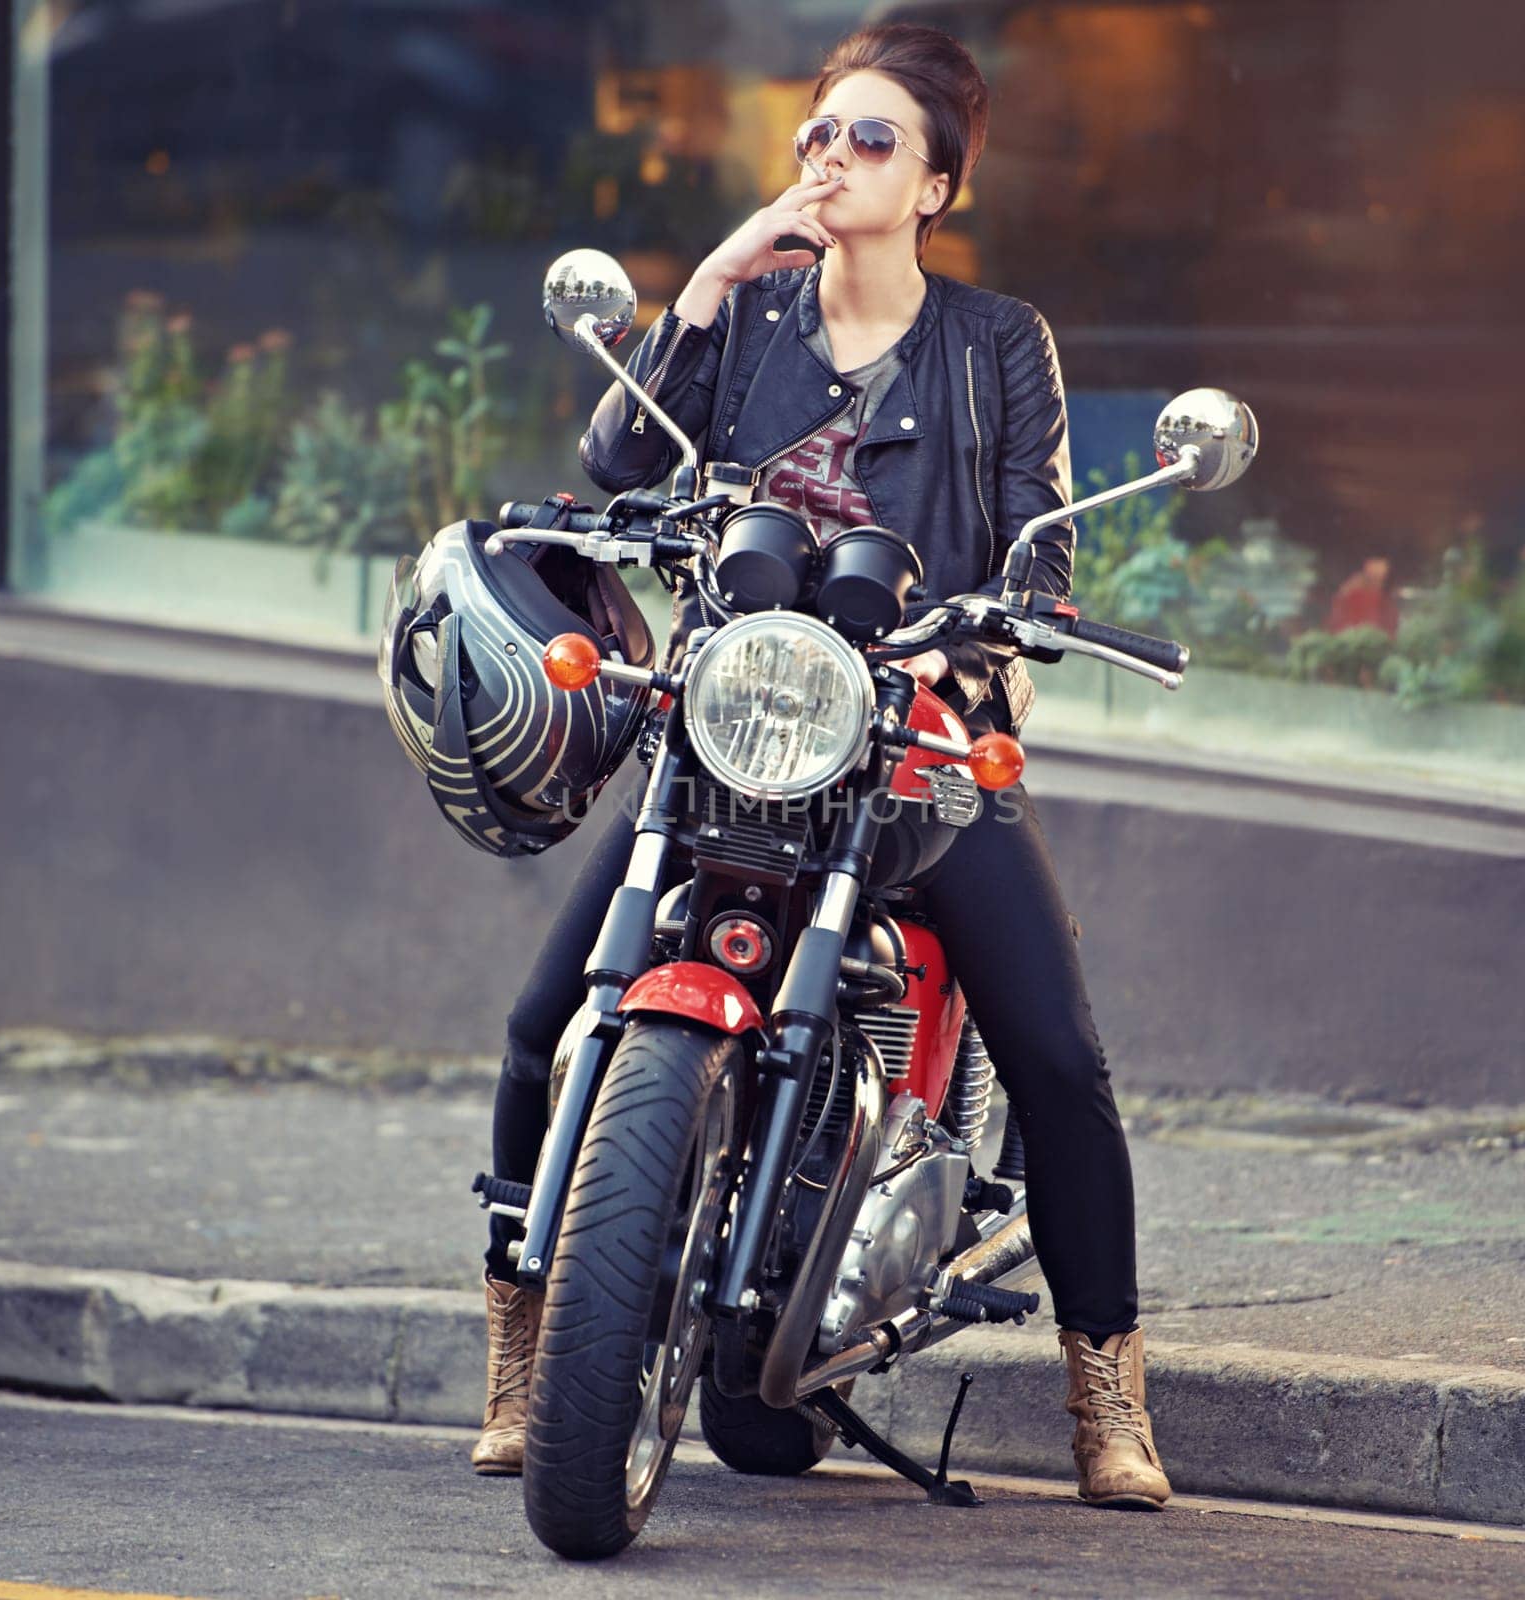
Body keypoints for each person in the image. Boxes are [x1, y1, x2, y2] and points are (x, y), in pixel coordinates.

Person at [473, 21, 1171, 1511]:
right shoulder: (746, 319)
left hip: (909, 733)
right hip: (733, 726)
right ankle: (527, 1354)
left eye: (869, 141)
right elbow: (617, 464)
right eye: (817, 134)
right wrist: (715, 276)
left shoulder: (998, 345)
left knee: (1054, 1051)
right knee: (545, 1016)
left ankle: (1105, 1384)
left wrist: (980, 634)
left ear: (935, 185)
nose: (828, 160)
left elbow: (1042, 545)